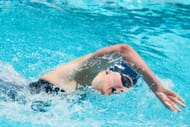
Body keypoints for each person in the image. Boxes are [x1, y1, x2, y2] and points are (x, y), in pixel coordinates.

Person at [29, 44, 185, 112]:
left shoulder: (85, 90)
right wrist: (156, 86)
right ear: (109, 71)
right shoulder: (84, 73)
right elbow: (123, 50)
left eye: (127, 89)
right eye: (125, 82)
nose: (123, 90)